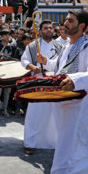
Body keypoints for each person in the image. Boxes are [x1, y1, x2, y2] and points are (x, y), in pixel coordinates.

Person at [37, 10, 88, 174]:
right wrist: (46, 61)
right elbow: (60, 66)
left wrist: (75, 80)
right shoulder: (67, 47)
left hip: (79, 105)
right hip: (64, 103)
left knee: (65, 146)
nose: (65, 23)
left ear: (81, 26)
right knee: (81, 139)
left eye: (70, 20)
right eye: (66, 20)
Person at [21, 20, 62, 155]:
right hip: (38, 82)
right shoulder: (33, 46)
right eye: (45, 28)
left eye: (50, 28)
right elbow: (24, 60)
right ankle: (30, 143)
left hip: (54, 83)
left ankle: (54, 142)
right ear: (40, 31)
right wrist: (33, 67)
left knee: (54, 113)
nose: (49, 30)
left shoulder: (60, 46)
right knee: (35, 114)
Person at [0, 29, 15, 118]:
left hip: (9, 71)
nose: (7, 36)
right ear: (1, 36)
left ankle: (4, 108)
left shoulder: (12, 46)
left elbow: (14, 58)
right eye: (5, 35)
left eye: (8, 35)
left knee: (7, 91)